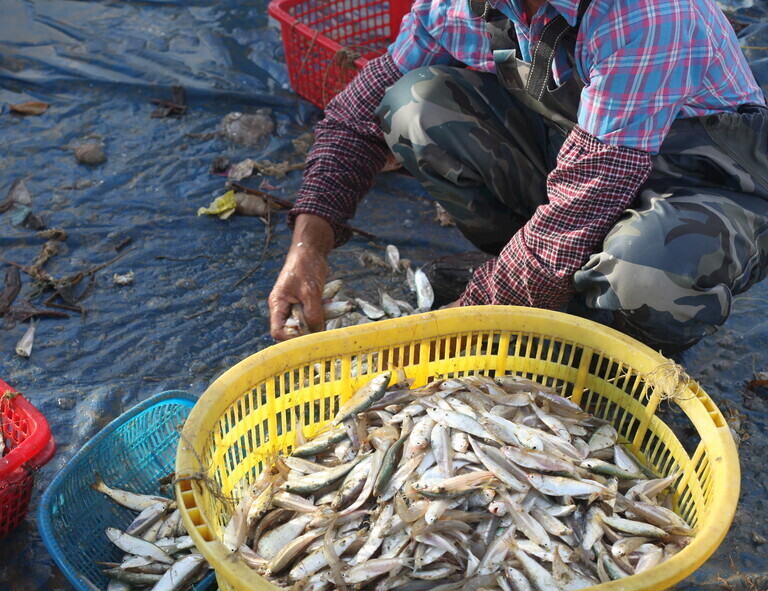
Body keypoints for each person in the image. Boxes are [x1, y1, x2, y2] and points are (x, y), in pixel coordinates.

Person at [268, 0, 768, 354]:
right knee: (413, 105)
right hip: (582, 166)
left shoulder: (647, 13)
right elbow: (356, 116)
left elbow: (584, 202)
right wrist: (307, 251)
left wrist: (462, 325)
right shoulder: (471, 6)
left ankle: (620, 338)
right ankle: (543, 290)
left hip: (701, 189)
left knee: (645, 271)